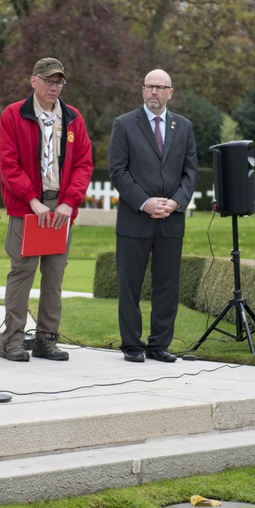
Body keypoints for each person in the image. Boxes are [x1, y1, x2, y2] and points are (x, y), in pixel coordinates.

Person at [0, 58, 94, 362]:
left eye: (59, 82)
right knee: (22, 271)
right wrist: (31, 200)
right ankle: (12, 338)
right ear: (33, 81)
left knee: (55, 274)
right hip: (27, 208)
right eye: (48, 80)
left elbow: (83, 164)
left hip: (61, 209)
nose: (54, 87)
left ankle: (46, 339)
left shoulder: (73, 118)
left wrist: (69, 202)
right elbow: (6, 163)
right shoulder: (14, 114)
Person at [108, 69, 198, 363]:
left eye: (161, 87)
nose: (155, 92)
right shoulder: (124, 125)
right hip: (136, 219)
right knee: (130, 284)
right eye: (150, 87)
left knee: (167, 284)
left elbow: (191, 172)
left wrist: (175, 203)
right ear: (143, 90)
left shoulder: (183, 127)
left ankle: (159, 344)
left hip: (171, 221)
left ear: (170, 92)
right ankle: (131, 344)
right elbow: (117, 171)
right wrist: (144, 202)